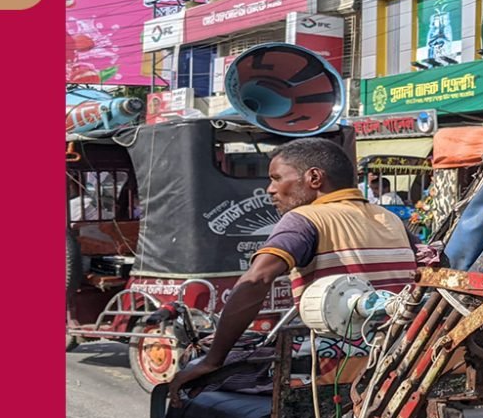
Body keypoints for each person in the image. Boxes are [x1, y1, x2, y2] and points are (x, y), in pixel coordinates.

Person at [168, 138, 417, 404]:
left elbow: (257, 280)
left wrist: (213, 360)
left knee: (202, 363)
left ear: (314, 178)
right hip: (397, 356)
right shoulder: (392, 220)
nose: (270, 189)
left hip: (332, 369)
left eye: (277, 178)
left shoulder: (306, 219)